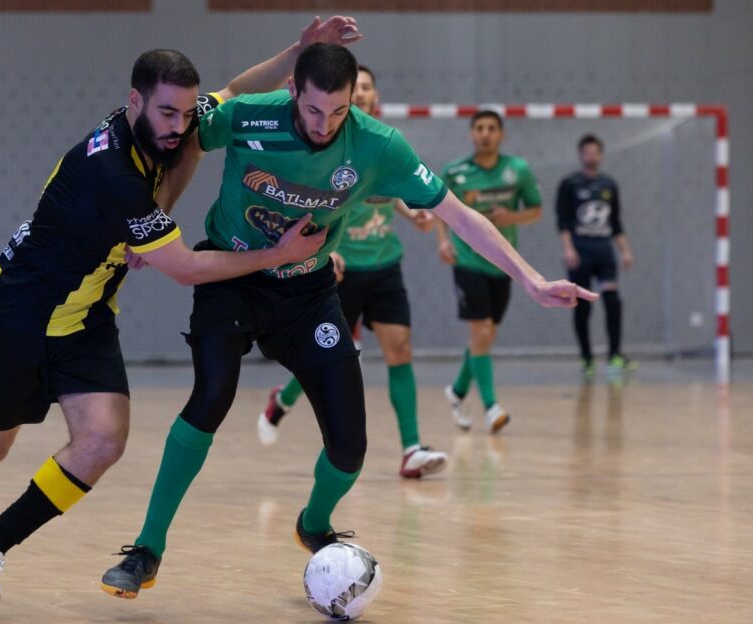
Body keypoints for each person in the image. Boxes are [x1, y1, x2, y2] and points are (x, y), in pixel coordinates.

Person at [100, 44, 596, 599]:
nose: (325, 125)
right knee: (211, 395)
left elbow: (460, 214)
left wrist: (530, 279)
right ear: (294, 92)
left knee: (349, 445)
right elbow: (179, 137)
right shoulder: (249, 116)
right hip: (231, 277)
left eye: (338, 113)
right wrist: (155, 215)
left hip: (309, 291)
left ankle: (313, 524)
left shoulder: (378, 145)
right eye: (314, 112)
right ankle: (146, 549)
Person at [0, 17, 361, 609]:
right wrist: (279, 255)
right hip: (18, 313)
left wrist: (297, 52)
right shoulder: (110, 172)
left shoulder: (166, 128)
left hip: (86, 313)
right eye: (168, 115)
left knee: (102, 440)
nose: (181, 128)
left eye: (185, 114)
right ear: (134, 102)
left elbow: (234, 91)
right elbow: (184, 268)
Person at [255, 64, 447, 480]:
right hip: (341, 267)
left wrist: (412, 214)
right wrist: (328, 249)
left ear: (374, 97)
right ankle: (283, 399)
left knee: (400, 349)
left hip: (385, 263)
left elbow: (390, 192)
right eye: (354, 87)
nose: (360, 94)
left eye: (366, 88)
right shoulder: (326, 142)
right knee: (334, 357)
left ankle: (411, 447)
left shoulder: (384, 144)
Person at [436, 110, 543, 434]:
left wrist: (510, 218)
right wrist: (443, 242)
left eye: (491, 128)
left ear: (501, 135)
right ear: (472, 134)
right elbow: (439, 207)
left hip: (503, 263)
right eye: (479, 128)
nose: (485, 134)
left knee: (485, 337)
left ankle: (455, 392)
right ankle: (491, 406)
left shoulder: (517, 170)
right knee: (481, 333)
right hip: (468, 261)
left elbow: (535, 210)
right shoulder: (455, 171)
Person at [557, 134, 636, 377]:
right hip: (581, 253)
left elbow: (615, 223)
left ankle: (614, 355)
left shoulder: (608, 185)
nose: (591, 156)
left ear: (601, 155)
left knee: (612, 302)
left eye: (595, 151)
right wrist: (568, 249)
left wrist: (625, 250)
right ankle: (587, 358)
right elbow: (563, 222)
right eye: (587, 151)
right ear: (581, 155)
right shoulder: (569, 184)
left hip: (604, 253)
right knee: (582, 306)